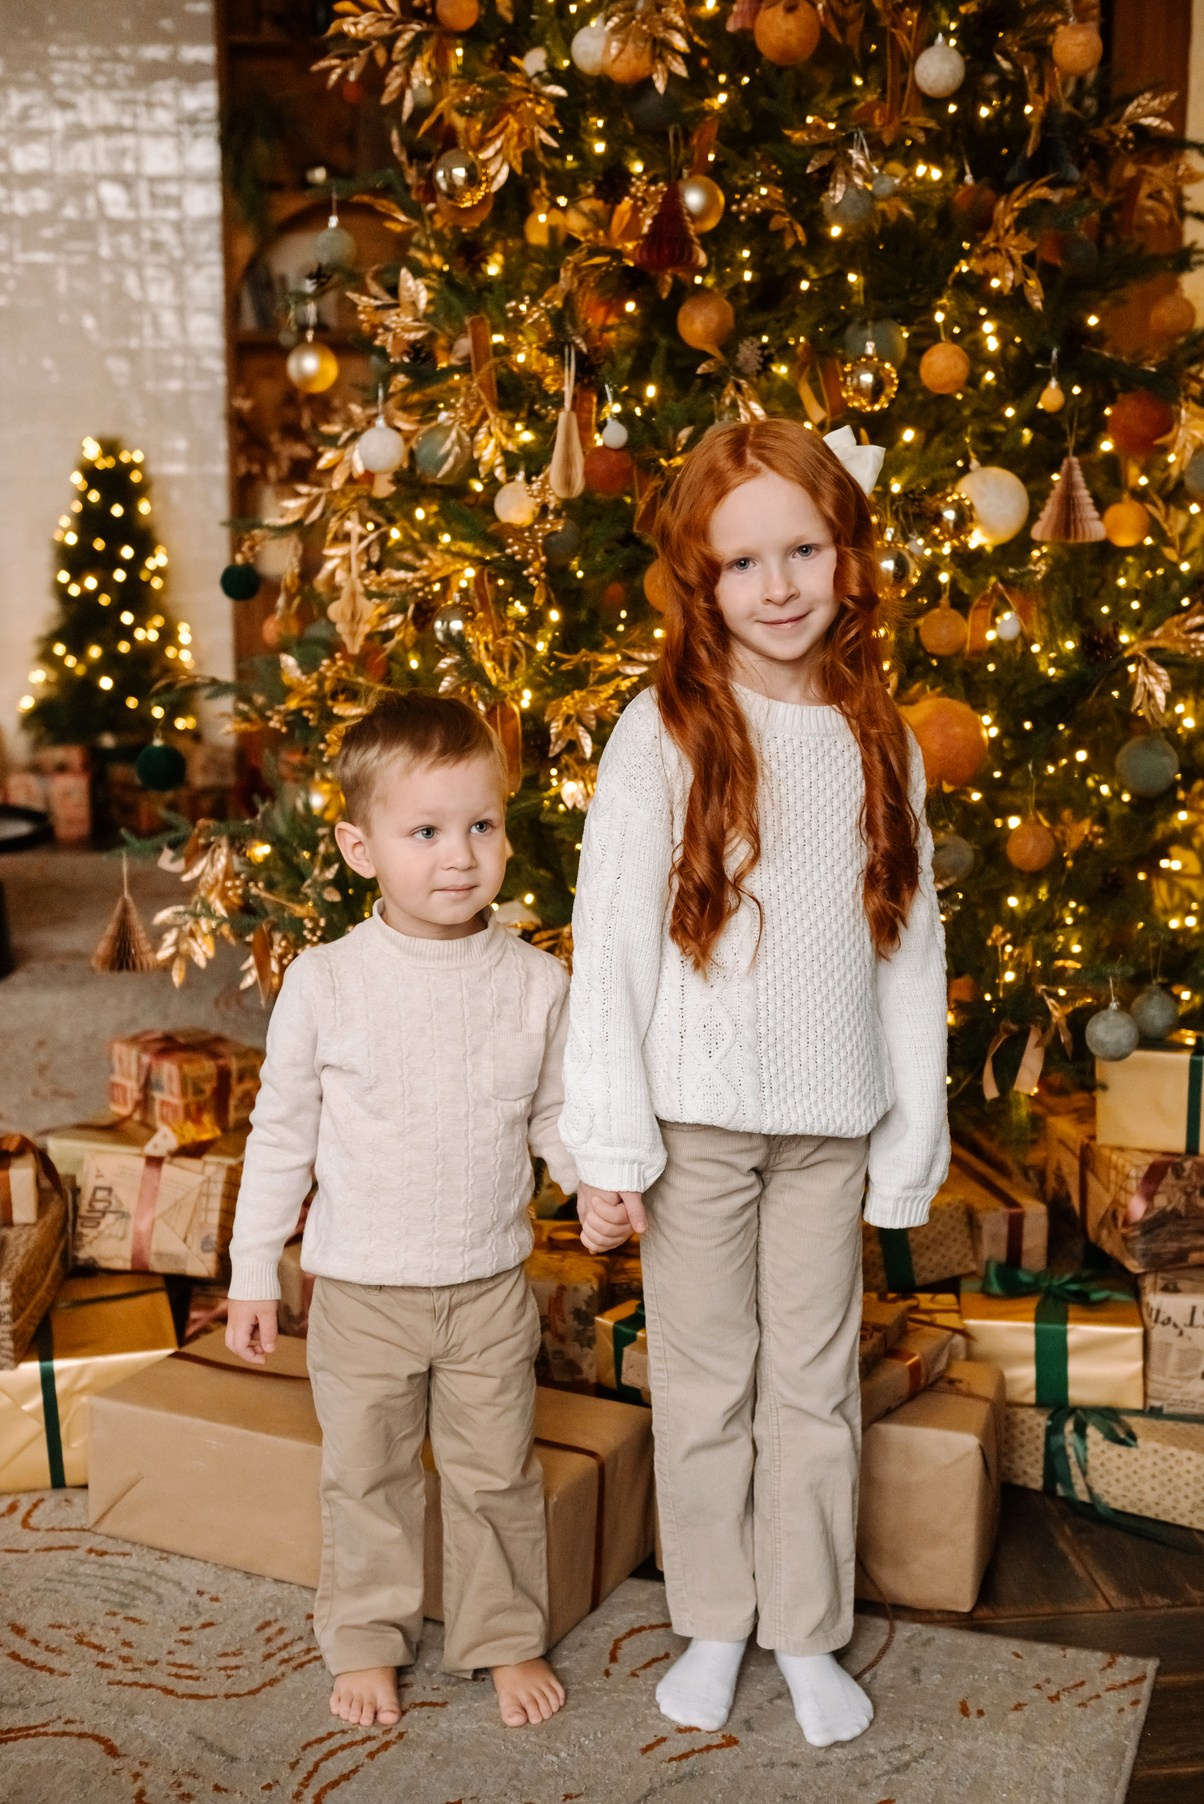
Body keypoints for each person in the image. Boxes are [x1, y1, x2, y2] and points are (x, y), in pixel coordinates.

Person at [561, 418, 949, 1749]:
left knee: (815, 1387)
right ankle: (719, 1618)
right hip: (695, 1127)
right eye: (743, 564)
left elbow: (908, 953)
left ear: (847, 554)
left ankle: (806, 1628)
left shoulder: (877, 738)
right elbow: (608, 948)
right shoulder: (658, 732)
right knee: (706, 1382)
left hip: (830, 1126)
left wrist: (910, 1139)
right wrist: (606, 1140)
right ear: (699, 581)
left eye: (804, 549)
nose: (778, 585)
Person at [225, 692, 575, 1732]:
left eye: (480, 824)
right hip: (362, 1292)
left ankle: (501, 1632)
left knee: (493, 1474)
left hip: (486, 1287)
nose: (458, 856)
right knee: (368, 1475)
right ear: (360, 845)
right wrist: (254, 1270)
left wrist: (597, 1179)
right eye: (423, 831)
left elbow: (555, 1114)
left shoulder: (535, 983)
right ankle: (368, 1638)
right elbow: (281, 1135)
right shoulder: (328, 983)